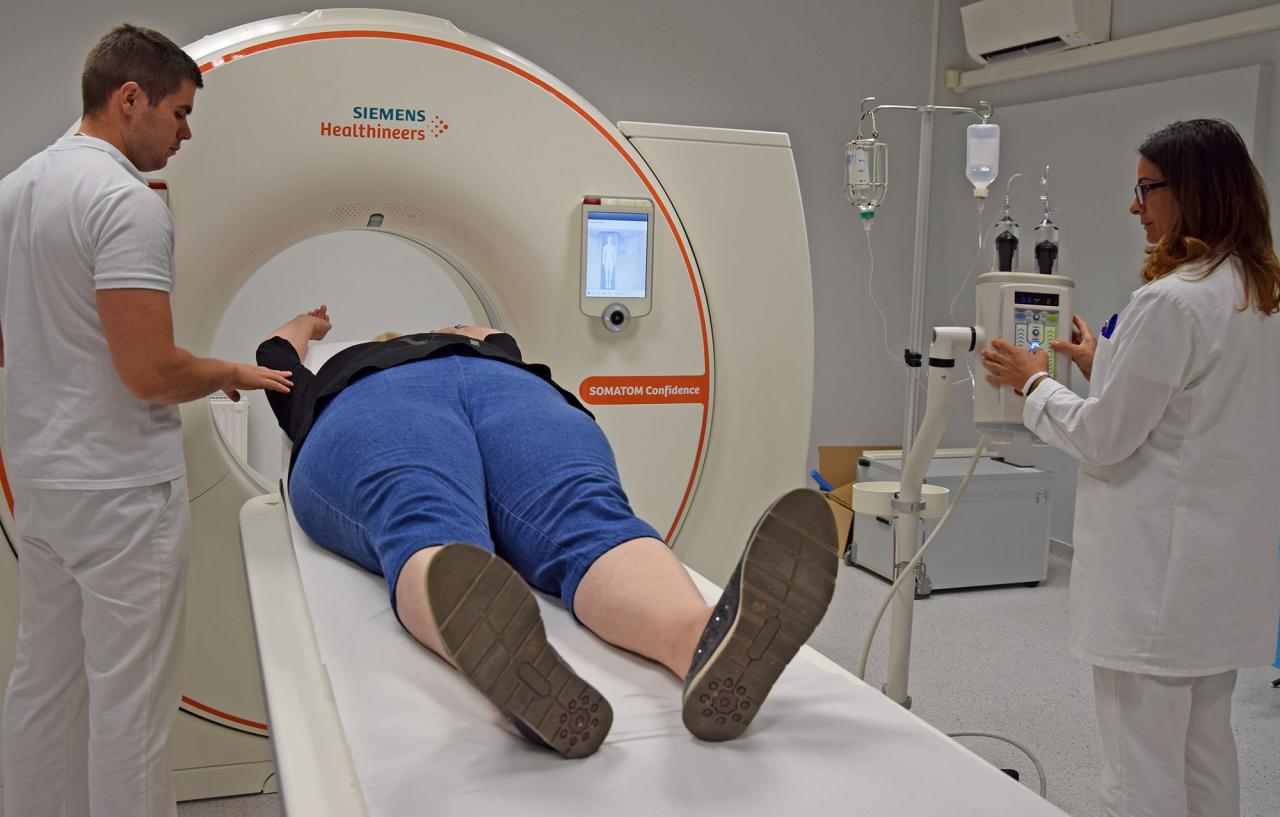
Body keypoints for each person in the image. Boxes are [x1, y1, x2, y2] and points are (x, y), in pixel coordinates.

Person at [257, 306, 838, 758]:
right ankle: (697, 639)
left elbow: (274, 352)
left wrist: (310, 323)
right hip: (515, 393)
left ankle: (502, 664)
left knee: (424, 520)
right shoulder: (491, 348)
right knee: (588, 518)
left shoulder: (343, 367)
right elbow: (490, 331)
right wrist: (457, 331)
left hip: (372, 403)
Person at [0, 25, 293, 817]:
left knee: (42, 687)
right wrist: (232, 371)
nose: (185, 134)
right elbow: (150, 373)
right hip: (121, 492)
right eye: (180, 112)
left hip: (44, 481)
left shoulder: (15, 190)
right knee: (130, 710)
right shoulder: (124, 203)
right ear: (130, 99)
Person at [980, 118, 1280, 817]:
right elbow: (1197, 407)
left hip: (1156, 586)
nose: (1133, 206)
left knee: (1138, 772)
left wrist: (1032, 382)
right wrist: (1104, 362)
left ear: (1193, 191)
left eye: (1146, 189)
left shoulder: (1170, 301)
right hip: (1219, 581)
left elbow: (1106, 436)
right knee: (1206, 753)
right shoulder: (1257, 295)